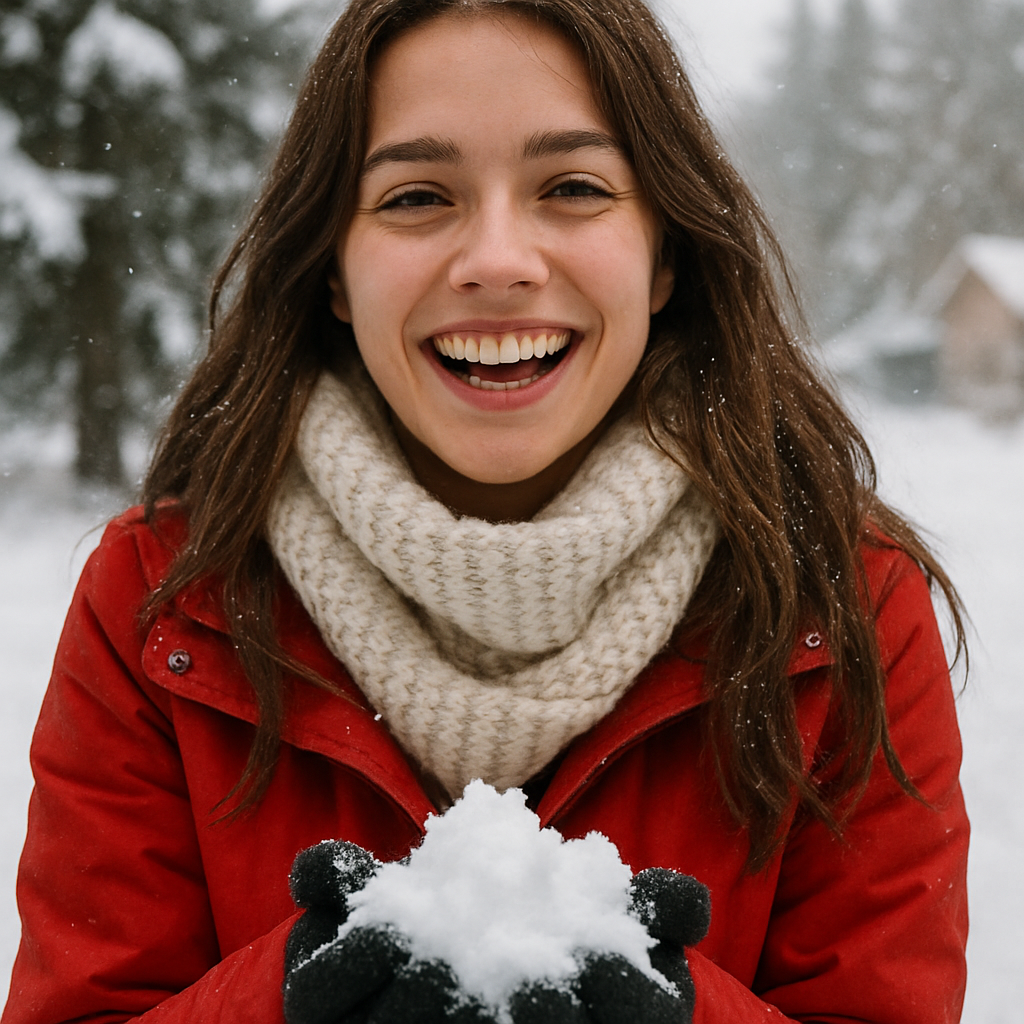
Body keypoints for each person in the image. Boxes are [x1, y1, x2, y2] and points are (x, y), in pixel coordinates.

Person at [2, 0, 969, 1021]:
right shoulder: (164, 601)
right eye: (418, 196)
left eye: (573, 188)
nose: (498, 261)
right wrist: (280, 1001)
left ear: (665, 254)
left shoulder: (843, 606)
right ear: (333, 269)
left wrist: (688, 1014)